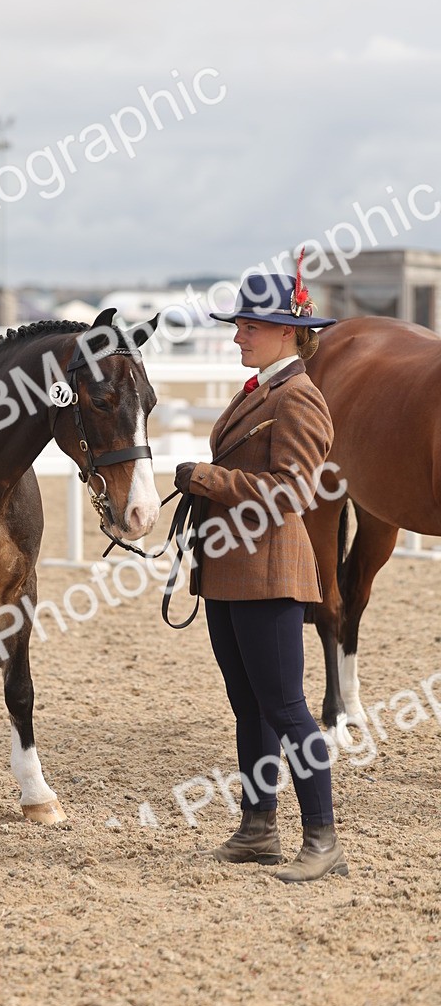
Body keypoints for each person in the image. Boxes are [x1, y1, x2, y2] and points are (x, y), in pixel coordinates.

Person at [174, 258, 348, 882]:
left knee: (287, 708)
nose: (238, 336)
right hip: (230, 571)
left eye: (249, 326)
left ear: (286, 331)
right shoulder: (260, 391)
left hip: (270, 572)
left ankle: (323, 839)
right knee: (248, 707)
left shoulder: (299, 398)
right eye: (238, 325)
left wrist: (209, 480)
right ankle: (257, 828)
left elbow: (293, 492)